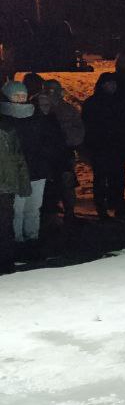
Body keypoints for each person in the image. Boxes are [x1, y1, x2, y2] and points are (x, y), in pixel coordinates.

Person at [2, 80, 62, 253]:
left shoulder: (35, 116)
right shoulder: (5, 119)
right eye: (16, 96)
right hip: (15, 172)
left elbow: (48, 140)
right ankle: (17, 240)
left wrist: (45, 158)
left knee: (34, 207)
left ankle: (32, 238)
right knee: (17, 209)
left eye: (23, 95)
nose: (20, 99)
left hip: (37, 169)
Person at [81, 73, 125, 219]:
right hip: (100, 147)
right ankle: (101, 207)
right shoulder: (92, 103)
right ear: (102, 85)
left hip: (117, 146)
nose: (113, 86)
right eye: (109, 83)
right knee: (101, 178)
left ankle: (118, 205)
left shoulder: (120, 102)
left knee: (118, 177)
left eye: (114, 83)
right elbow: (87, 126)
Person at [41, 79, 84, 224]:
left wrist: (70, 140)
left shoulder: (68, 109)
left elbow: (79, 129)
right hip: (46, 155)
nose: (52, 93)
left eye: (55, 90)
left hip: (64, 153)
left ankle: (69, 213)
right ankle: (48, 214)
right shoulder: (40, 108)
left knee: (67, 183)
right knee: (48, 185)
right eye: (49, 90)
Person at [0, 103, 30, 274]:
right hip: (6, 184)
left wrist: (23, 183)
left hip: (6, 186)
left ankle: (6, 261)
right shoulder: (8, 129)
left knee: (5, 224)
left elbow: (18, 158)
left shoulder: (8, 129)